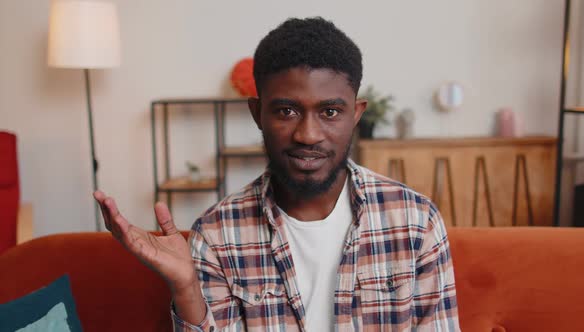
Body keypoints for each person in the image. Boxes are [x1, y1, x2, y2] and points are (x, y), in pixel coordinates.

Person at [94, 17, 459, 331]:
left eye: (330, 112)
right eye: (286, 111)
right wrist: (187, 288)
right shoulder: (217, 234)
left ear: (356, 114)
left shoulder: (415, 221)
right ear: (257, 113)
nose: (308, 135)